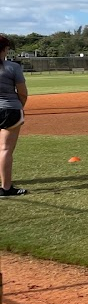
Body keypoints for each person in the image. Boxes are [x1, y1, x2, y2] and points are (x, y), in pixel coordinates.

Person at [0, 35, 28, 197]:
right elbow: (23, 93)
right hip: (10, 109)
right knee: (5, 150)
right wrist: (20, 107)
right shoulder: (12, 67)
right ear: (4, 49)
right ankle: (6, 187)